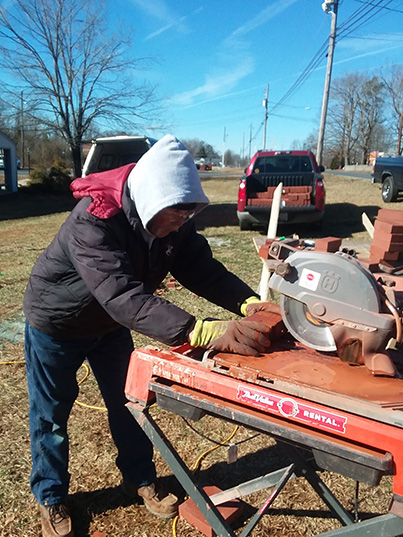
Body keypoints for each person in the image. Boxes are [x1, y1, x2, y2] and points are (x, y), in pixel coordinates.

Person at [23, 135, 273, 537]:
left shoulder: (172, 221)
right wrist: (200, 331)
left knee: (129, 403)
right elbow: (122, 295)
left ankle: (140, 479)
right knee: (51, 416)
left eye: (187, 213)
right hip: (57, 324)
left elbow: (200, 269)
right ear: (149, 200)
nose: (182, 222)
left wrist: (248, 303)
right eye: (176, 214)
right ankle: (51, 498)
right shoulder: (93, 220)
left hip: (108, 327)